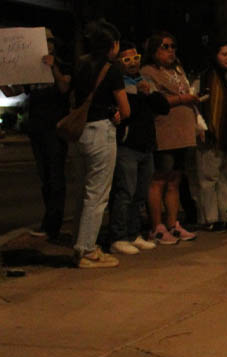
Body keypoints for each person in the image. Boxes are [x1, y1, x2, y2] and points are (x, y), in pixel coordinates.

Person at [0, 28, 71, 241]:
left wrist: (54, 67)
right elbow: (13, 91)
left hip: (56, 128)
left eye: (48, 40)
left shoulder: (63, 65)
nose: (46, 44)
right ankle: (48, 221)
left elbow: (64, 88)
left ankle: (53, 225)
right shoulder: (33, 69)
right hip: (37, 128)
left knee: (56, 176)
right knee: (45, 177)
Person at [71, 20, 130, 268]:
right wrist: (119, 113)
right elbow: (125, 108)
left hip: (82, 131)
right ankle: (87, 250)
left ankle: (82, 243)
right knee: (98, 194)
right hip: (102, 131)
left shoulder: (81, 65)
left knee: (85, 191)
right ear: (112, 45)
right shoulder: (112, 69)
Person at [108, 41, 170, 255]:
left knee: (140, 193)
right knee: (125, 191)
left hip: (146, 146)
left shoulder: (145, 81)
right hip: (127, 146)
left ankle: (134, 234)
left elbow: (163, 107)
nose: (133, 63)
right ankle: (118, 236)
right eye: (126, 59)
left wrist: (149, 94)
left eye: (135, 58)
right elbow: (123, 114)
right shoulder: (118, 84)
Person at [140, 31, 198, 244]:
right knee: (159, 179)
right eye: (165, 46)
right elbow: (156, 100)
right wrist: (183, 98)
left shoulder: (178, 70)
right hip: (165, 130)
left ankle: (173, 224)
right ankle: (157, 226)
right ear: (154, 50)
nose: (170, 50)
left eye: (173, 46)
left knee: (175, 179)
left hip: (183, 131)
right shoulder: (148, 72)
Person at [194, 41, 227, 232]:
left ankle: (224, 215)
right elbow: (197, 105)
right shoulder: (206, 79)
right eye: (224, 54)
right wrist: (201, 127)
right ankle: (210, 218)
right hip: (213, 134)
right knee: (209, 177)